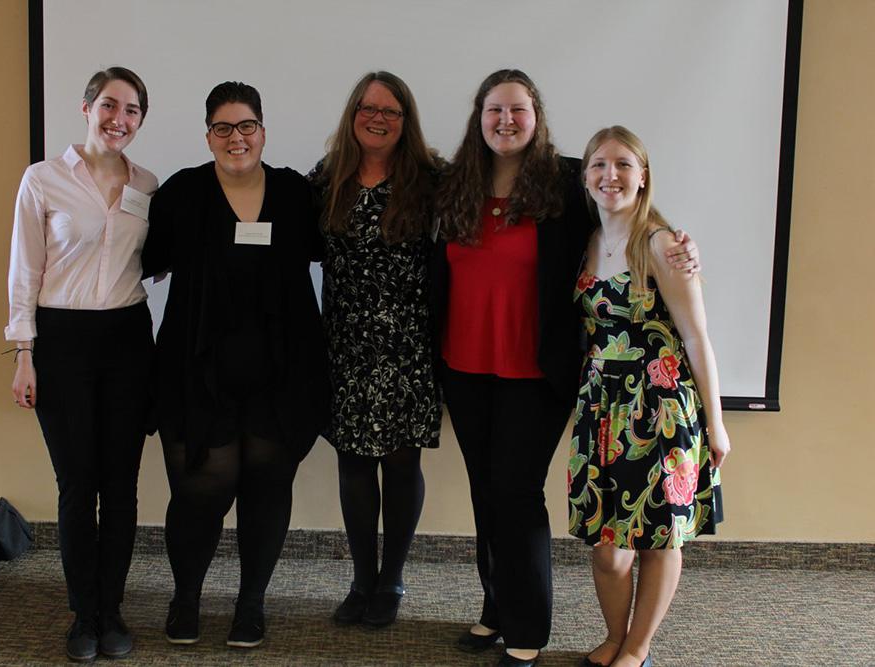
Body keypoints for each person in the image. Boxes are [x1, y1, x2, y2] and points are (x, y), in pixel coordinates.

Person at [432, 70, 700, 667]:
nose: (506, 121)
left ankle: (526, 632)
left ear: (536, 116)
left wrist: (680, 243)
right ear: (479, 117)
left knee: (517, 494)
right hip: (465, 366)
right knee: (485, 493)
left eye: (518, 110)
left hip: (537, 372)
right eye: (495, 110)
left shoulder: (565, 181)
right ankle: (495, 607)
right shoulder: (454, 184)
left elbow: (629, 209)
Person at [141, 81, 329, 650]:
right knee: (200, 490)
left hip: (281, 371)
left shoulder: (298, 194)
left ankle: (251, 605)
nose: (236, 138)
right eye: (223, 128)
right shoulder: (180, 194)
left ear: (263, 131)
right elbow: (145, 262)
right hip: (198, 370)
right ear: (208, 136)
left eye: (246, 126)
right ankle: (186, 598)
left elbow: (331, 253)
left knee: (268, 489)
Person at [5, 66, 156, 662]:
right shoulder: (43, 179)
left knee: (120, 485)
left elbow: (154, 258)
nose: (120, 119)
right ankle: (81, 615)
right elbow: (24, 271)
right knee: (76, 484)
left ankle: (111, 611)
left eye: (133, 110)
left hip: (126, 339)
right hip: (62, 339)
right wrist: (25, 354)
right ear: (87, 107)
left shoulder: (148, 183)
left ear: (141, 119)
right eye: (110, 106)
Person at [569, 126, 728, 667]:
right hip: (601, 410)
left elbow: (695, 337)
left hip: (659, 408)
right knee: (609, 551)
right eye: (598, 165)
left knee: (660, 538)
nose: (609, 175)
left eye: (622, 165)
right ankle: (614, 636)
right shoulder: (585, 241)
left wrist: (717, 424)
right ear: (585, 174)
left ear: (642, 176)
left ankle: (637, 647)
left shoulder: (660, 244)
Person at [308, 71, 442, 628]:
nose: (377, 117)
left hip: (408, 344)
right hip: (345, 343)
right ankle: (362, 580)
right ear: (353, 114)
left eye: (390, 110)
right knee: (354, 463)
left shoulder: (431, 179)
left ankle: (392, 580)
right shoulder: (327, 177)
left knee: (401, 460)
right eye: (367, 107)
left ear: (405, 120)